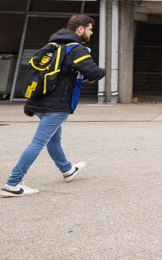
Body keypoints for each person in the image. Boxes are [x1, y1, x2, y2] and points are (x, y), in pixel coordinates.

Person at [2, 14, 105, 197]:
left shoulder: (52, 46)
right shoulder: (76, 49)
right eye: (90, 29)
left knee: (53, 139)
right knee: (38, 142)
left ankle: (67, 170)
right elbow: (92, 71)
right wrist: (102, 71)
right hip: (57, 105)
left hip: (41, 101)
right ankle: (12, 183)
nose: (91, 33)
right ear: (80, 29)